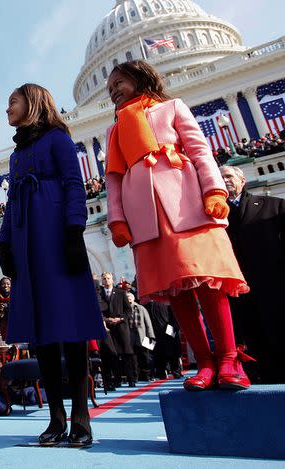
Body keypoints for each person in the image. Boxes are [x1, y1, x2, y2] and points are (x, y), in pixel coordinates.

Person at [105, 60, 250, 393]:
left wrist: (214, 190)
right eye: (110, 87)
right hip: (147, 219)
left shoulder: (172, 108)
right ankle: (205, 362)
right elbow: (113, 180)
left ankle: (228, 358)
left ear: (140, 79)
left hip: (186, 206)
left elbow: (200, 150)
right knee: (177, 294)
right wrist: (117, 219)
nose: (113, 90)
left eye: (120, 82)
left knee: (210, 286)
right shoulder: (114, 130)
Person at [0, 83, 105, 447]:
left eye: (12, 102)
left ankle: (80, 416)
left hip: (57, 239)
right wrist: (4, 242)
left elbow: (75, 185)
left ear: (32, 102)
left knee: (71, 328)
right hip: (28, 244)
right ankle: (55, 416)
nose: (7, 109)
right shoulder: (16, 155)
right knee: (41, 331)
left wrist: (75, 230)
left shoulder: (58, 139)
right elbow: (11, 202)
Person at [220, 165, 285, 383]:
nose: (225, 180)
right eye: (220, 178)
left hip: (274, 287)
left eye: (229, 176)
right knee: (254, 342)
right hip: (240, 293)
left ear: (242, 180)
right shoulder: (214, 219)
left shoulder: (273, 206)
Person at [99, 272, 136, 388]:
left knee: (126, 354)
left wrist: (120, 319)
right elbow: (98, 311)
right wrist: (106, 319)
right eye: (104, 279)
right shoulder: (99, 294)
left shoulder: (121, 293)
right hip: (107, 328)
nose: (106, 280)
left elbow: (128, 310)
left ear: (112, 279)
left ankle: (131, 379)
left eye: (108, 278)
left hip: (121, 327)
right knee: (111, 355)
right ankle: (115, 380)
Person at [126, 292, 156, 382]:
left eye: (130, 297)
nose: (129, 299)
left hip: (142, 336)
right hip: (130, 336)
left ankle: (146, 375)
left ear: (134, 298)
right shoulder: (125, 309)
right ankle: (135, 377)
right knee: (133, 358)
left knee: (144, 357)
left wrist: (151, 335)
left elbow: (148, 322)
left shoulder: (141, 308)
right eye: (127, 298)